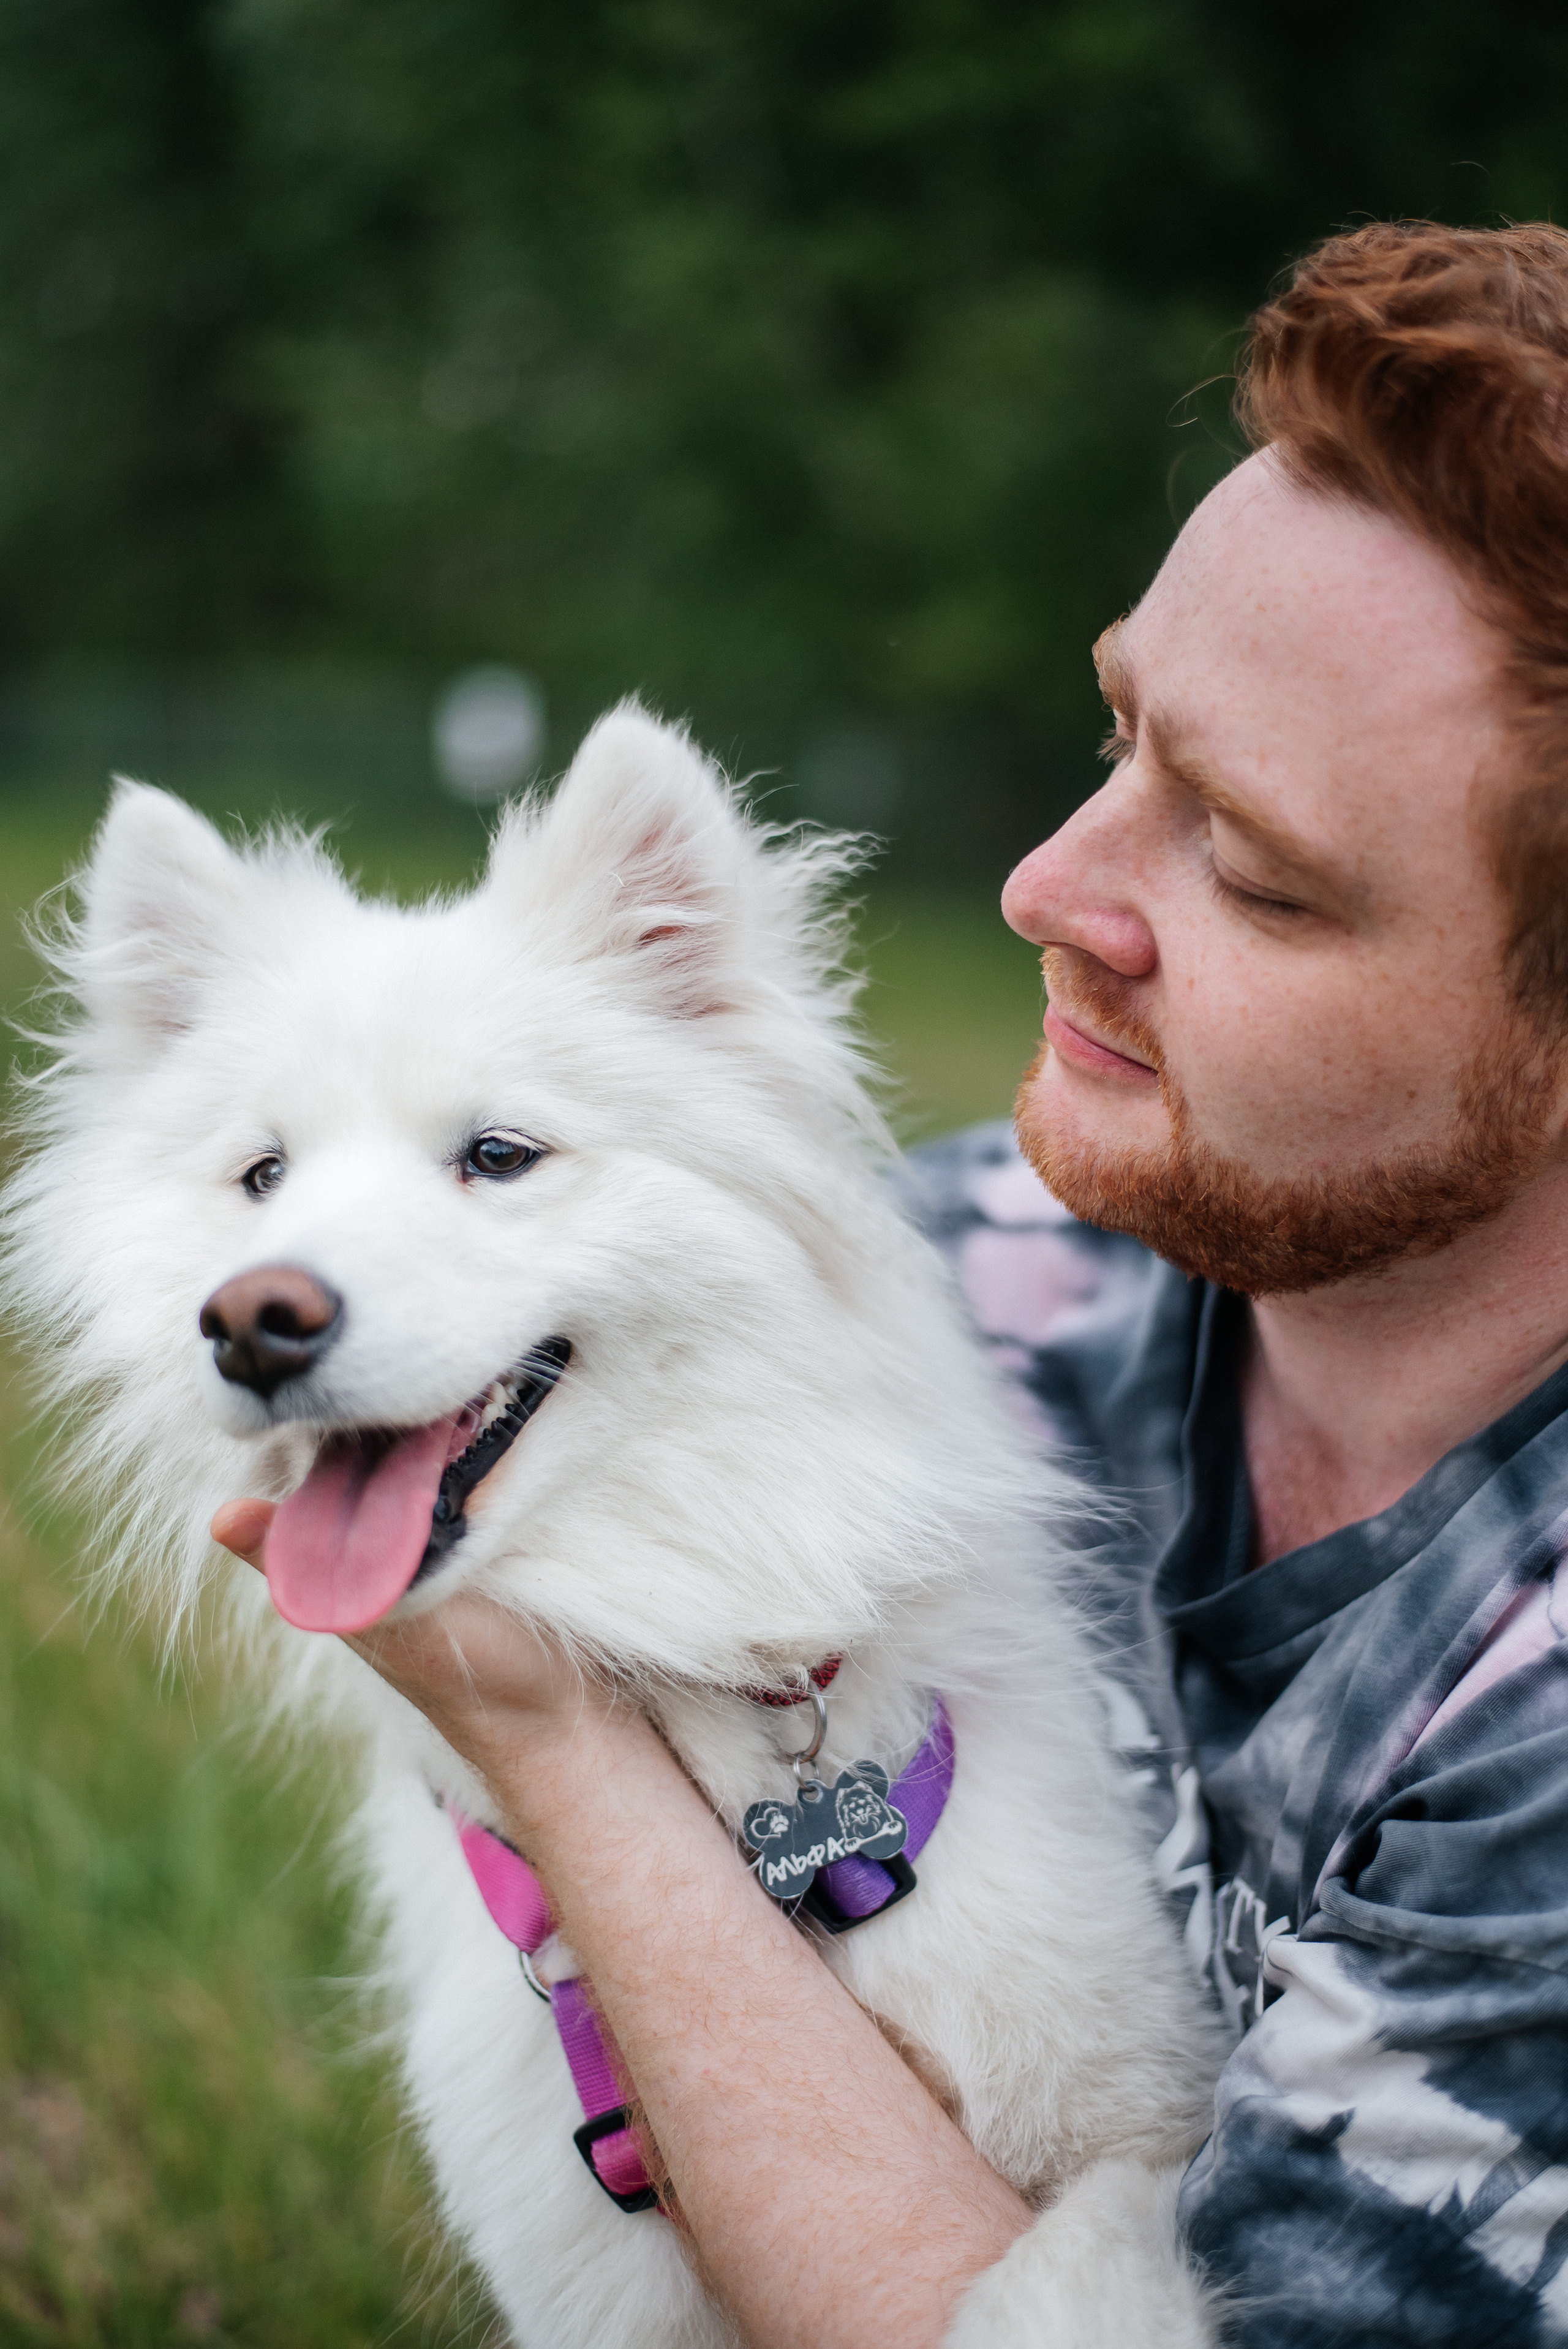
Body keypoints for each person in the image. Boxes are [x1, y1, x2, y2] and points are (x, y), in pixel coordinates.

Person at [217, 219, 1568, 2347]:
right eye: (1120, 734)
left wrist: (561, 1756)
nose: (1046, 883)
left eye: (1255, 865)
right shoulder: (947, 1271)